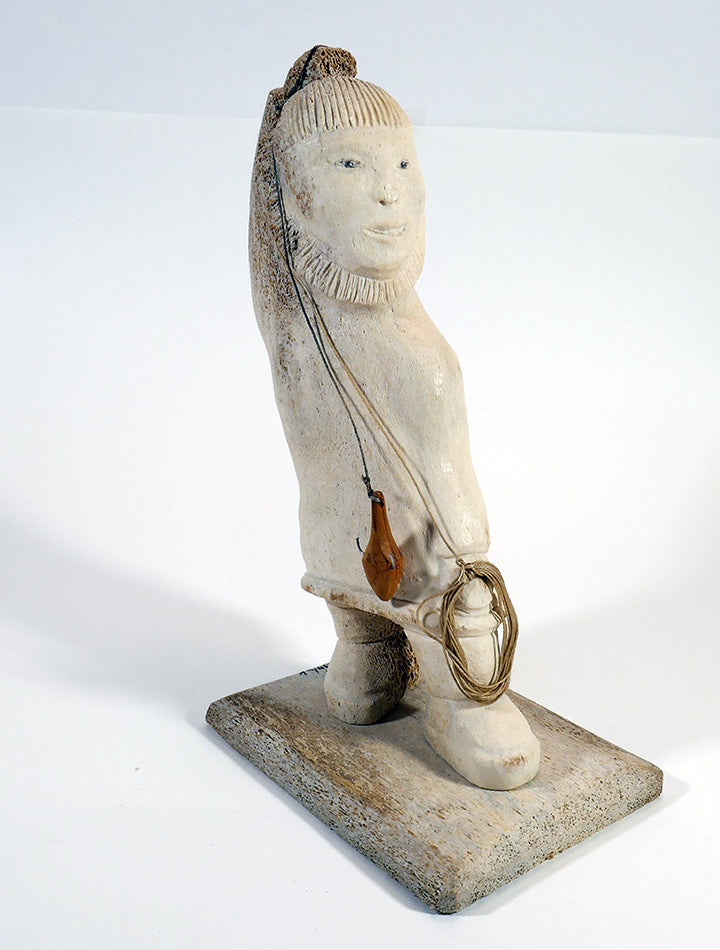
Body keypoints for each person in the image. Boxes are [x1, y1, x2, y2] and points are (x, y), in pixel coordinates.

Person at [249, 46, 539, 789]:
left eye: (403, 166)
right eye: (350, 166)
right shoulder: (295, 310)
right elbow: (268, 252)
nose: (388, 193)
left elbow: (455, 495)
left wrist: (470, 556)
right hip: (345, 524)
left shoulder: (420, 357)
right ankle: (367, 641)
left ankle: (461, 691)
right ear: (293, 193)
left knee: (441, 561)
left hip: (437, 564)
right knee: (334, 525)